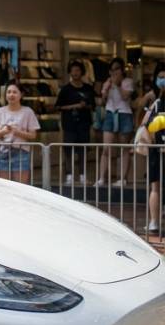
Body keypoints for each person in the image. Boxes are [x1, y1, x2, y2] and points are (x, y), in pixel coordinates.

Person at [0, 83, 40, 184]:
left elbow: (33, 135)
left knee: (21, 187)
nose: (11, 95)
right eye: (9, 92)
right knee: (3, 187)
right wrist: (3, 131)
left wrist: (17, 132)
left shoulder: (27, 112)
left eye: (15, 92)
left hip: (21, 152)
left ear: (21, 95)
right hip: (2, 152)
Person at [96, 57, 136, 188]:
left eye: (117, 69)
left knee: (124, 148)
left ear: (122, 69)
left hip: (124, 114)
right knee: (106, 148)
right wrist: (105, 90)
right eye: (112, 69)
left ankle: (123, 178)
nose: (114, 72)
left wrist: (117, 84)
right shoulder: (107, 82)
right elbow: (102, 102)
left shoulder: (128, 81)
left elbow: (125, 96)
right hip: (109, 114)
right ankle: (102, 178)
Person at [56, 60, 95, 186]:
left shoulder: (88, 88)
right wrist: (75, 106)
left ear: (82, 72)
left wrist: (85, 106)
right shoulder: (65, 89)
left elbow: (93, 105)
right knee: (68, 149)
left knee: (83, 149)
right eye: (73, 70)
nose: (75, 73)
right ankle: (69, 175)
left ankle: (83, 175)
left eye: (77, 70)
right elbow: (58, 106)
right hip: (69, 123)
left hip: (84, 123)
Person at [139, 63, 165, 234]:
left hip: (157, 149)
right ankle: (154, 222)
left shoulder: (156, 102)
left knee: (155, 187)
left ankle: (155, 222)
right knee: (155, 187)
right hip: (157, 151)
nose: (162, 80)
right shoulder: (155, 102)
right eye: (160, 77)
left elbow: (144, 126)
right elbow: (144, 126)